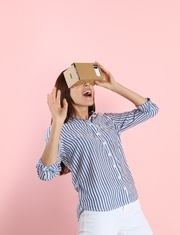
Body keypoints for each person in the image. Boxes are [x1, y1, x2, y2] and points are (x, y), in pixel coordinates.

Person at [36, 63, 159, 235]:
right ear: (65, 92)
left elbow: (150, 110)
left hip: (131, 207)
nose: (87, 86)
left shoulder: (107, 121)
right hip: (99, 214)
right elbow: (46, 172)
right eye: (79, 82)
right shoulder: (61, 131)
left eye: (89, 83)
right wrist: (57, 122)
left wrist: (114, 86)